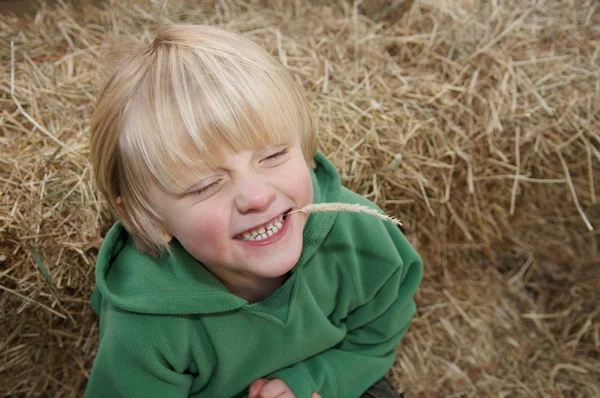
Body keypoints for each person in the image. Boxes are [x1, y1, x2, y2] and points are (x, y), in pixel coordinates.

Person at [85, 23, 422, 398]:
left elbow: (375, 336)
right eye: (205, 185)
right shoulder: (144, 330)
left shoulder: (361, 240)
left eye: (274, 155)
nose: (258, 197)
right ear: (144, 215)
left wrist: (317, 380)